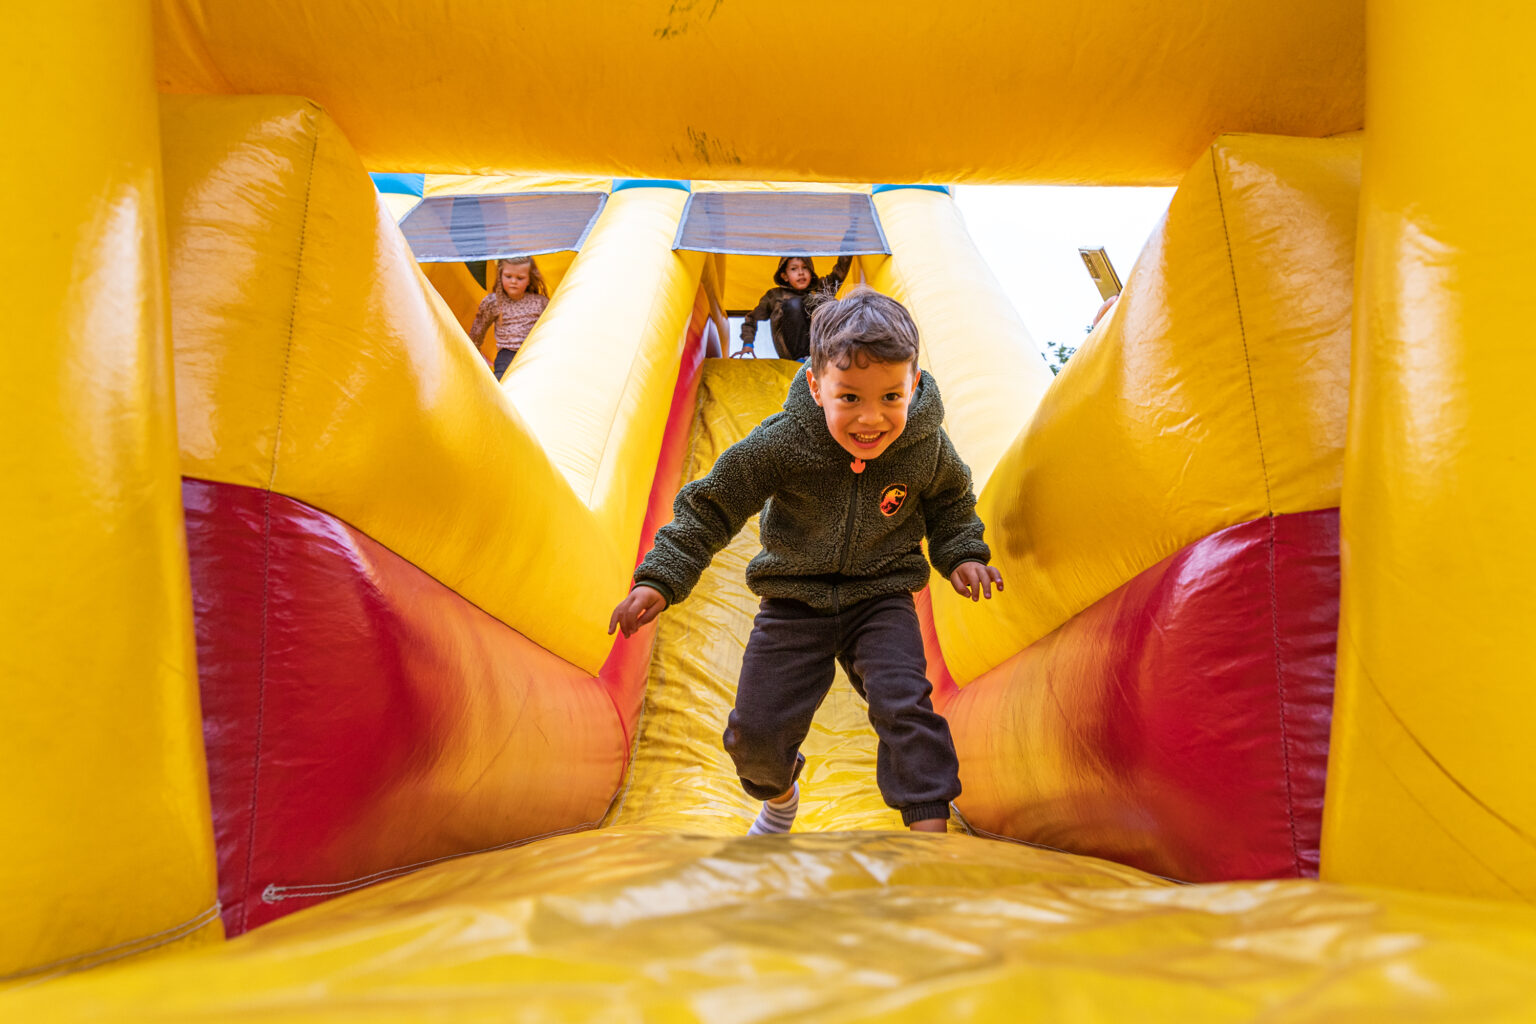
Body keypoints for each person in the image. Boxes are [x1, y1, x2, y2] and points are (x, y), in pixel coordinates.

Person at [610, 287, 1004, 836]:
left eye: (892, 396)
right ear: (817, 387)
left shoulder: (924, 444)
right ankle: (780, 794)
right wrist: (661, 578)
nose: (873, 419)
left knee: (905, 706)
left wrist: (962, 554)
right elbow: (712, 504)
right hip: (795, 599)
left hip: (881, 595)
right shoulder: (784, 443)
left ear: (914, 383)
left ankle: (929, 835)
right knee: (755, 736)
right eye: (851, 399)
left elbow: (950, 502)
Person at [740, 254, 853, 361]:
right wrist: (748, 343)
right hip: (792, 352)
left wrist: (850, 240)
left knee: (825, 301)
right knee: (794, 304)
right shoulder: (774, 295)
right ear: (784, 276)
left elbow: (840, 270)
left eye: (805, 268)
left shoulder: (820, 289)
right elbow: (752, 318)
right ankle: (803, 358)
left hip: (821, 348)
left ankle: (837, 352)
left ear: (811, 271)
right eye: (794, 269)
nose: (801, 273)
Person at [467, 256, 549, 380]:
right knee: (503, 380)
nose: (513, 281)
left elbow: (550, 328)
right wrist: (473, 353)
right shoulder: (494, 302)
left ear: (529, 279)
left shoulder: (540, 302)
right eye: (508, 276)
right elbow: (478, 330)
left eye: (520, 278)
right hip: (507, 354)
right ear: (500, 276)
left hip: (533, 351)